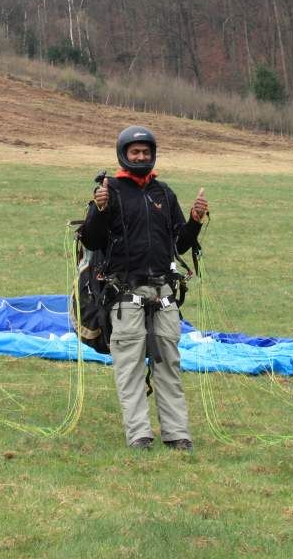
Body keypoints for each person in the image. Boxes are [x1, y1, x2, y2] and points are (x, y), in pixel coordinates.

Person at [80, 125, 209, 450]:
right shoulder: (110, 191)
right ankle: (139, 435)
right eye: (135, 152)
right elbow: (92, 240)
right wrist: (100, 209)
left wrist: (194, 220)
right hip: (124, 295)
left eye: (145, 152)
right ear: (124, 154)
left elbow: (179, 244)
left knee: (169, 363)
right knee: (130, 367)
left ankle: (177, 434)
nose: (140, 157)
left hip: (163, 292)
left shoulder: (164, 193)